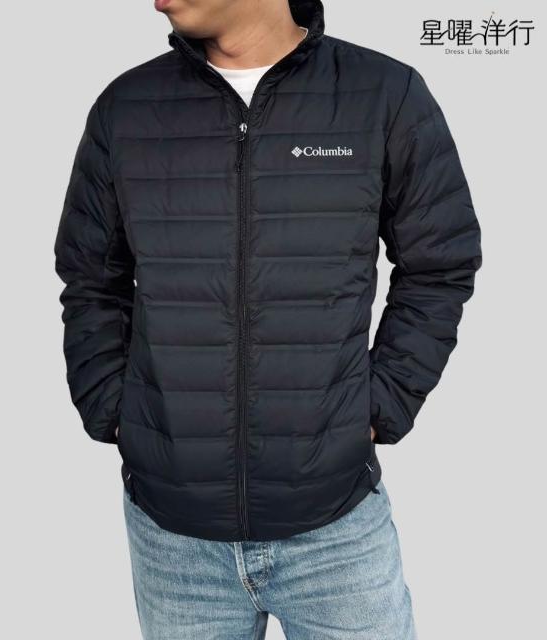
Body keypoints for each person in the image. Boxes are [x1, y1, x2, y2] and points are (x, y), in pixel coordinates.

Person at [54, 0, 482, 637]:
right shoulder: (126, 107)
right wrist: (113, 409)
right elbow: (91, 277)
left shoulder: (383, 95)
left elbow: (440, 262)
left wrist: (383, 404)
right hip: (173, 541)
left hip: (336, 530)